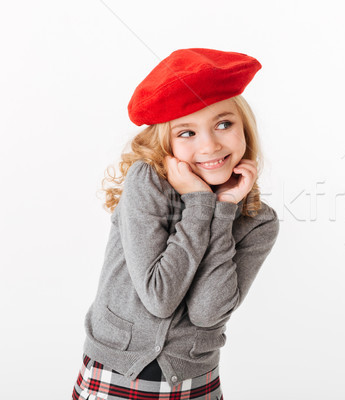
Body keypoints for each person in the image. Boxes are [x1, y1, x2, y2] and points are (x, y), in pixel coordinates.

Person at [71, 48, 280, 400]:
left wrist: (224, 209)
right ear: (165, 143)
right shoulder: (147, 183)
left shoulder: (259, 222)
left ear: (245, 130)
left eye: (224, 124)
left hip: (195, 379)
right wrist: (199, 203)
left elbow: (207, 311)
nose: (210, 145)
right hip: (118, 373)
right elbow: (159, 297)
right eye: (187, 133)